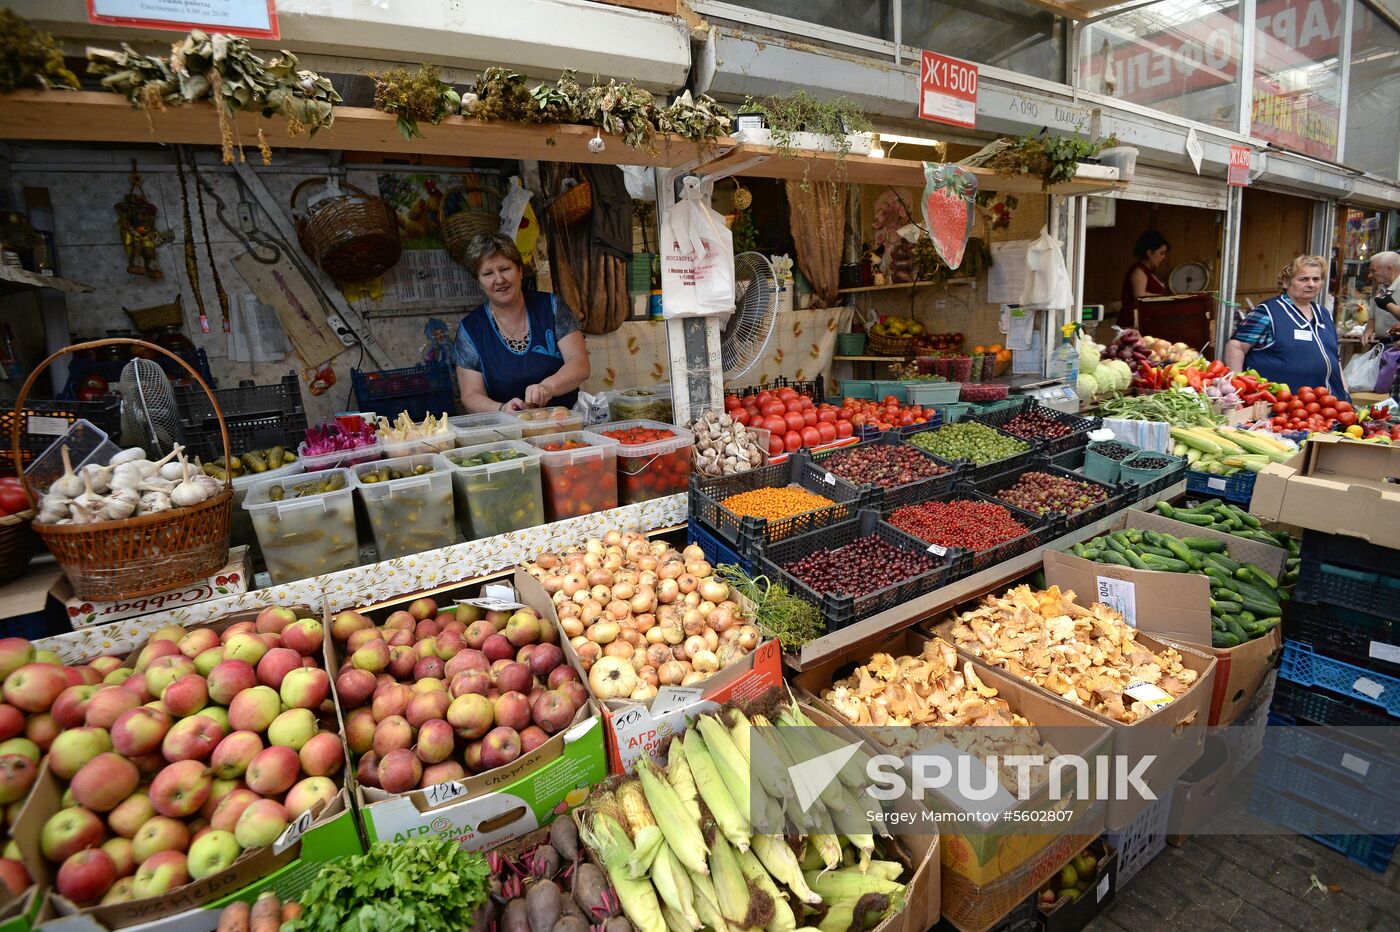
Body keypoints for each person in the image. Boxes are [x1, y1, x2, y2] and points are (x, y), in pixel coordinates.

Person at [453, 233, 590, 413]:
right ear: (479, 282)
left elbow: (579, 362)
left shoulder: (552, 307)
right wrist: (502, 409)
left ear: (520, 270)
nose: (499, 280)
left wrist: (547, 387)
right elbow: (471, 394)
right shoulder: (470, 330)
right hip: (507, 432)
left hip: (565, 425)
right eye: (488, 274)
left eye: (504, 269)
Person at [1224, 255, 1348, 401]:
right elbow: (1236, 346)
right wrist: (1237, 390)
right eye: (1303, 279)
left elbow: (1334, 358)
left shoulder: (1324, 314)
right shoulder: (1268, 311)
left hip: (1329, 405)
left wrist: (1345, 389)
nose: (1311, 284)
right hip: (1284, 406)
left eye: (1316, 279)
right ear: (1286, 282)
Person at [1120, 230, 1170, 323]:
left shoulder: (1149, 272)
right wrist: (1165, 298)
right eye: (1161, 253)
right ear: (1149, 253)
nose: (1163, 257)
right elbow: (1140, 296)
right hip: (1134, 321)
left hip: (1147, 319)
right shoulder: (1139, 271)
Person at [1362, 250, 1400, 345]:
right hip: (1381, 345)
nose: (1370, 275)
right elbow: (1373, 314)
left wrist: (1389, 305)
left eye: (1374, 271)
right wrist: (1369, 329)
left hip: (1395, 349)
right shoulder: (1382, 287)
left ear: (1389, 269)